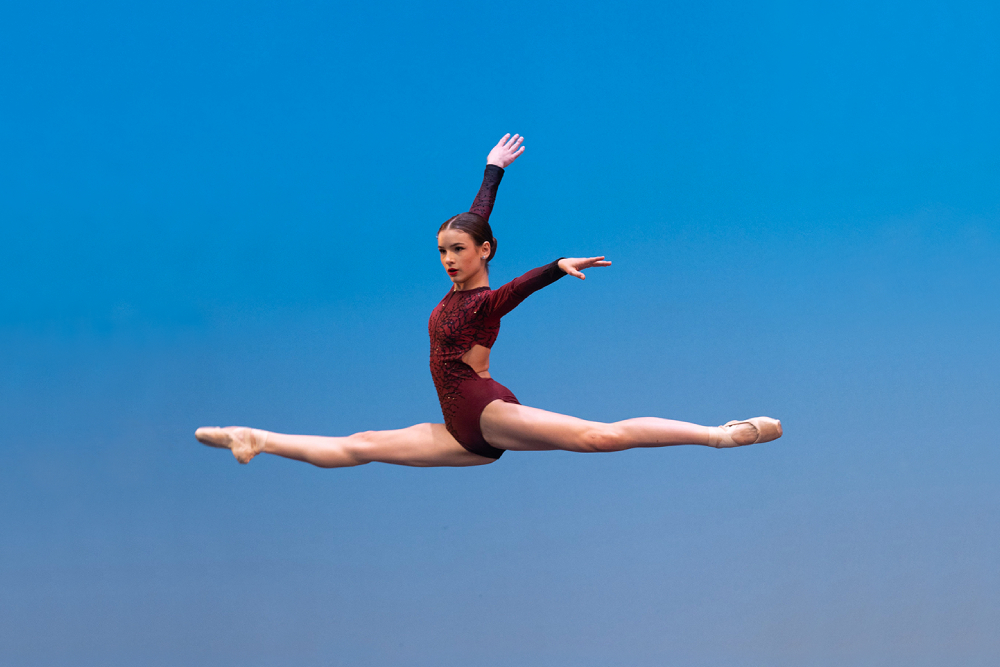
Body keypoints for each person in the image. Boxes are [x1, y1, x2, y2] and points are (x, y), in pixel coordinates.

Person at [196, 133, 782, 467]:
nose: (449, 259)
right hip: (461, 431)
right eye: (441, 252)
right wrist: (492, 170)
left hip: (482, 406)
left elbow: (511, 290)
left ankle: (722, 433)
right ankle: (256, 438)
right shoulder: (462, 278)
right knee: (361, 446)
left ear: (485, 251)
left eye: (458, 250)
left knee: (597, 437)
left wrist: (555, 266)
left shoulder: (483, 301)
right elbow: (478, 219)